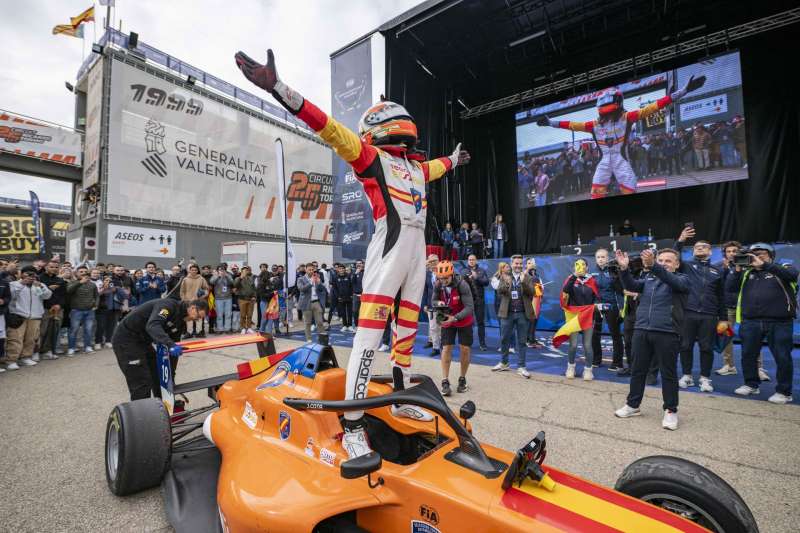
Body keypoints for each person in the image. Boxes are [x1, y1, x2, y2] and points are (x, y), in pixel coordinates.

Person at [235, 47, 470, 460]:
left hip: (417, 253)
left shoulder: (416, 168)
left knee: (407, 329)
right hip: (390, 247)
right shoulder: (370, 156)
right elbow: (326, 126)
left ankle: (400, 395)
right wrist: (278, 89)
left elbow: (438, 167)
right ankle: (354, 423)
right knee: (369, 333)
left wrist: (453, 159)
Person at [536, 75, 705, 198]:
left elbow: (653, 107)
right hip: (604, 163)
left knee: (629, 190)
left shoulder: (627, 118)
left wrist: (683, 91)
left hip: (621, 161)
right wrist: (550, 122)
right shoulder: (594, 125)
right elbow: (571, 124)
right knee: (596, 194)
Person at [614, 248, 689, 430]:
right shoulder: (649, 278)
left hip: (667, 332)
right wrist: (624, 269)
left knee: (668, 374)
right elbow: (631, 286)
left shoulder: (682, 279)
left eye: (668, 261)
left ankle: (671, 410)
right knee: (637, 370)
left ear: (677, 264)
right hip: (641, 330)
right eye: (660, 260)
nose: (663, 263)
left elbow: (671, 280)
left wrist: (654, 265)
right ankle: (633, 405)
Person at [728, 243, 798, 404]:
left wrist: (765, 265)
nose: (756, 257)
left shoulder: (783, 267)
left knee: (782, 357)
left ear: (771, 256)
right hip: (751, 321)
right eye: (753, 254)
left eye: (761, 254)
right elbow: (730, 288)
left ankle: (784, 391)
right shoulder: (747, 273)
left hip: (780, 322)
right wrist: (737, 269)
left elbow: (792, 274)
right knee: (748, 355)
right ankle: (751, 384)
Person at [112, 297, 208, 400]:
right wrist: (170, 344)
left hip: (143, 342)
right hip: (126, 339)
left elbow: (172, 352)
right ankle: (143, 414)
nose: (197, 319)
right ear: (193, 308)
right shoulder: (168, 306)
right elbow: (153, 325)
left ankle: (164, 406)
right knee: (141, 381)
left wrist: (171, 377)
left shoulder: (180, 323)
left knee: (158, 375)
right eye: (198, 316)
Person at [674, 227, 728, 393]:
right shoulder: (687, 266)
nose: (700, 247)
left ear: (711, 252)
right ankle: (687, 376)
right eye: (697, 246)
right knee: (685, 346)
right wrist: (681, 240)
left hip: (709, 315)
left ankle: (705, 378)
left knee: (707, 348)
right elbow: (674, 256)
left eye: (704, 246)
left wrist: (723, 318)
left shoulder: (717, 271)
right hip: (688, 313)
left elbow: (721, 296)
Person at [433, 261, 474, 396]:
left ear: (452, 274)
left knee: (465, 349)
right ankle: (445, 381)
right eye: (440, 278)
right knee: (446, 348)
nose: (443, 281)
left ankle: (462, 379)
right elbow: (433, 301)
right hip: (447, 318)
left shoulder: (462, 284)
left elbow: (469, 307)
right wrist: (438, 303)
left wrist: (455, 318)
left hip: (463, 319)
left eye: (446, 278)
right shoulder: (438, 285)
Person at [491, 255, 536, 378]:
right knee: (504, 339)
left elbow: (532, 292)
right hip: (507, 313)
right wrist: (507, 284)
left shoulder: (527, 277)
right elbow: (499, 291)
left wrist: (523, 283)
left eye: (520, 263)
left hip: (522, 313)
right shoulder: (505, 276)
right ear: (512, 264)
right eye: (516, 263)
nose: (518, 266)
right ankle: (504, 363)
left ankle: (521, 366)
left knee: (522, 341)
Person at [3, 266, 52, 370]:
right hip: (18, 315)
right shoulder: (14, 284)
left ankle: (26, 357)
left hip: (35, 316)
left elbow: (47, 296)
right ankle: (11, 360)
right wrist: (22, 284)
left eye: (33, 274)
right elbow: (11, 295)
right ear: (21, 274)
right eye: (28, 274)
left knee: (31, 339)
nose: (31, 276)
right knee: (15, 339)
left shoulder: (39, 285)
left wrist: (41, 287)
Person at [561, 259, 599, 380]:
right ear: (574, 267)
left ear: (587, 267)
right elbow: (565, 290)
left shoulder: (592, 280)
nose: (581, 267)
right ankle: (570, 367)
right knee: (573, 344)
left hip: (588, 316)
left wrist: (596, 306)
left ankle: (588, 370)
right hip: (574, 316)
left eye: (583, 265)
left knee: (587, 345)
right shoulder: (571, 279)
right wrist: (574, 276)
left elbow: (596, 297)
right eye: (578, 265)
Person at [592, 249, 624, 370]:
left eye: (603, 257)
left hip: (612, 306)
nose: (601, 259)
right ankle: (596, 360)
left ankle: (617, 363)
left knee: (615, 335)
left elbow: (620, 292)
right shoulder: (592, 272)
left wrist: (621, 308)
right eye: (598, 257)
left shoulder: (613, 271)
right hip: (597, 307)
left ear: (607, 258)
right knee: (595, 334)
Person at [66, 266, 99, 356]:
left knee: (88, 330)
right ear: (76, 273)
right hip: (76, 311)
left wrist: (96, 305)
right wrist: (80, 282)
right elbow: (69, 291)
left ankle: (87, 347)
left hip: (89, 311)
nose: (84, 273)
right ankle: (71, 348)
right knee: (73, 330)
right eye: (81, 271)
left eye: (85, 271)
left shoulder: (92, 284)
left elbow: (97, 296)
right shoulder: (72, 282)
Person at [38, 260, 66, 359]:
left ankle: (48, 351)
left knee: (53, 331)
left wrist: (59, 305)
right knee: (41, 331)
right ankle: (36, 352)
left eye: (56, 267)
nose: (54, 269)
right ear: (46, 267)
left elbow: (63, 296)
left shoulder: (60, 280)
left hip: (58, 309)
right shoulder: (39, 278)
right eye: (51, 267)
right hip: (44, 309)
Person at [462, 254, 490, 351]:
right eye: (469, 260)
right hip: (468, 301)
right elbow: (460, 284)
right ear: (467, 261)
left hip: (479, 300)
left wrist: (476, 277)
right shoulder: (464, 271)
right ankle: (467, 343)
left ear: (476, 260)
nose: (471, 261)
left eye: (473, 259)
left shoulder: (481, 270)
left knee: (480, 322)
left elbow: (486, 282)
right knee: (468, 323)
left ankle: (482, 344)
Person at [297, 264, 328, 342]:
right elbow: (301, 289)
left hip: (316, 302)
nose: (311, 271)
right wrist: (311, 283)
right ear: (306, 270)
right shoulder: (301, 279)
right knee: (308, 323)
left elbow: (322, 289)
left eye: (312, 269)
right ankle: (309, 339)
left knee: (320, 322)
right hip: (306, 303)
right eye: (309, 269)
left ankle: (323, 339)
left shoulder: (317, 277)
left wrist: (319, 283)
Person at [180, 264, 209, 338]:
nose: (194, 271)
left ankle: (198, 332)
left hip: (198, 301)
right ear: (189, 270)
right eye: (192, 270)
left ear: (197, 271)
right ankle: (189, 333)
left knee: (199, 316)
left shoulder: (201, 279)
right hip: (188, 301)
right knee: (189, 317)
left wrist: (203, 296)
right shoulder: (185, 279)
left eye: (195, 270)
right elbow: (182, 291)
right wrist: (184, 299)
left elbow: (206, 289)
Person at [421, 255, 441, 357]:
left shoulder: (442, 272)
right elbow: (425, 290)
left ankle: (439, 343)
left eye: (435, 261)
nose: (433, 263)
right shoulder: (427, 274)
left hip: (441, 304)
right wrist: (424, 304)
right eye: (431, 261)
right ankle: (436, 347)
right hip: (430, 304)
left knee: (440, 326)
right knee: (433, 327)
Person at [524, 258, 544, 348]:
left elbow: (541, 288)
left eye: (532, 263)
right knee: (529, 321)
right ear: (525, 265)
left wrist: (541, 294)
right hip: (528, 301)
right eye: (529, 263)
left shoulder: (537, 276)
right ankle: (528, 340)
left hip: (536, 300)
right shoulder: (524, 275)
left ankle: (532, 338)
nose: (531, 265)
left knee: (534, 321)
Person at [210, 265, 234, 333]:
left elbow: (232, 283)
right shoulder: (215, 275)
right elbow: (211, 282)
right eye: (220, 270)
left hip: (228, 298)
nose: (222, 271)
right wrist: (218, 276)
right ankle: (220, 329)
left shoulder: (228, 275)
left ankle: (227, 328)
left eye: (223, 270)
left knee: (228, 314)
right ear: (218, 270)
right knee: (219, 315)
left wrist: (226, 276)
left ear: (225, 270)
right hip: (218, 298)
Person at [331, 264, 354, 332]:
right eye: (340, 269)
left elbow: (351, 286)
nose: (341, 270)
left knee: (349, 312)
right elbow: (334, 288)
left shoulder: (348, 276)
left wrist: (351, 295)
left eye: (342, 268)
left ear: (344, 269)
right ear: (338, 270)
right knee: (343, 312)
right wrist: (338, 296)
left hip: (349, 297)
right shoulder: (335, 277)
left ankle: (349, 325)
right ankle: (344, 325)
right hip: (340, 297)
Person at [234, 266, 257, 334]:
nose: (245, 272)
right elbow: (235, 285)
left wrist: (254, 296)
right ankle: (243, 328)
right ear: (241, 272)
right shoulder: (238, 278)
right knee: (243, 315)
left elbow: (254, 289)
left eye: (246, 270)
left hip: (250, 299)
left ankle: (249, 327)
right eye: (244, 270)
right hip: (242, 299)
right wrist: (241, 278)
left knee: (249, 315)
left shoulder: (250, 278)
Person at [350, 259, 365, 334]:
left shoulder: (366, 272)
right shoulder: (354, 272)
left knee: (364, 312)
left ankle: (363, 327)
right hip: (356, 295)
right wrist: (355, 274)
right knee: (355, 311)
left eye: (360, 263)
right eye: (357, 264)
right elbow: (351, 282)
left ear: (363, 264)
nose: (358, 265)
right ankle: (356, 326)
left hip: (364, 295)